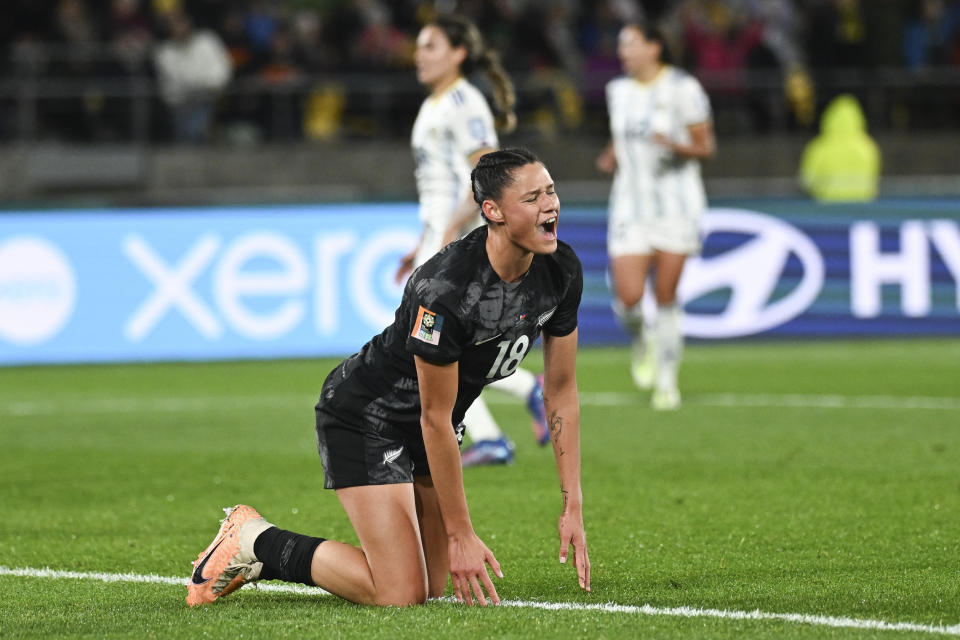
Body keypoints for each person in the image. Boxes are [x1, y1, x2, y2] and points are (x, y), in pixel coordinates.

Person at [185, 148, 590, 608]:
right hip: (366, 418)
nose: (550, 204)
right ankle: (256, 541)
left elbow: (559, 392)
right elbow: (435, 417)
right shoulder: (445, 289)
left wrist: (571, 505)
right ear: (492, 212)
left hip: (432, 428)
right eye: (533, 197)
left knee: (432, 588)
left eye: (552, 191)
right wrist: (461, 534)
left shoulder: (561, 270)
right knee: (400, 593)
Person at [396, 14, 549, 466]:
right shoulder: (434, 105)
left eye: (430, 46)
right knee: (436, 341)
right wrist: (421, 238)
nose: (419, 55)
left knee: (427, 341)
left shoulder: (465, 103)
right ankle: (513, 403)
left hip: (460, 236)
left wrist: (450, 229)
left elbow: (488, 177)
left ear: (458, 53)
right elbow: (435, 183)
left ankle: (489, 432)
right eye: (419, 46)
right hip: (440, 234)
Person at [595, 22, 715, 411]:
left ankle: (667, 382)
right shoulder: (618, 91)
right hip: (630, 205)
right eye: (620, 44)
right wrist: (614, 154)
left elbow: (705, 145)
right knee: (628, 298)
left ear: (654, 47)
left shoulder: (684, 88)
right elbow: (624, 132)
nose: (623, 51)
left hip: (676, 206)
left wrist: (675, 146)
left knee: (666, 295)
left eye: (630, 43)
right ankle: (640, 339)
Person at [153, 10, 232, 143]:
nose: (179, 29)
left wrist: (206, 85)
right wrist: (202, 82)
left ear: (188, 24)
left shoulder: (207, 41)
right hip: (180, 103)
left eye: (181, 24)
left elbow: (222, 70)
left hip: (208, 98)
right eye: (174, 25)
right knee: (187, 134)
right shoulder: (164, 52)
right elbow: (181, 79)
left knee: (196, 131)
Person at [798, 93, 880, 202]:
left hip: (828, 209)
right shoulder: (868, 147)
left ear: (828, 118)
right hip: (861, 208)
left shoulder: (819, 147)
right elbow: (874, 180)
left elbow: (806, 182)